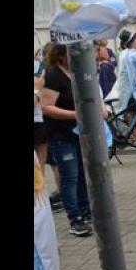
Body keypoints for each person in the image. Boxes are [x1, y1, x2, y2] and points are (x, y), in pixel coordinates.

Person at [40, 43, 95, 237]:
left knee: (81, 174)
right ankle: (75, 218)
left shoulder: (76, 72)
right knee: (70, 176)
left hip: (77, 133)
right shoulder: (54, 74)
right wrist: (76, 114)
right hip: (60, 135)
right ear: (62, 56)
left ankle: (86, 211)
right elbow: (46, 107)